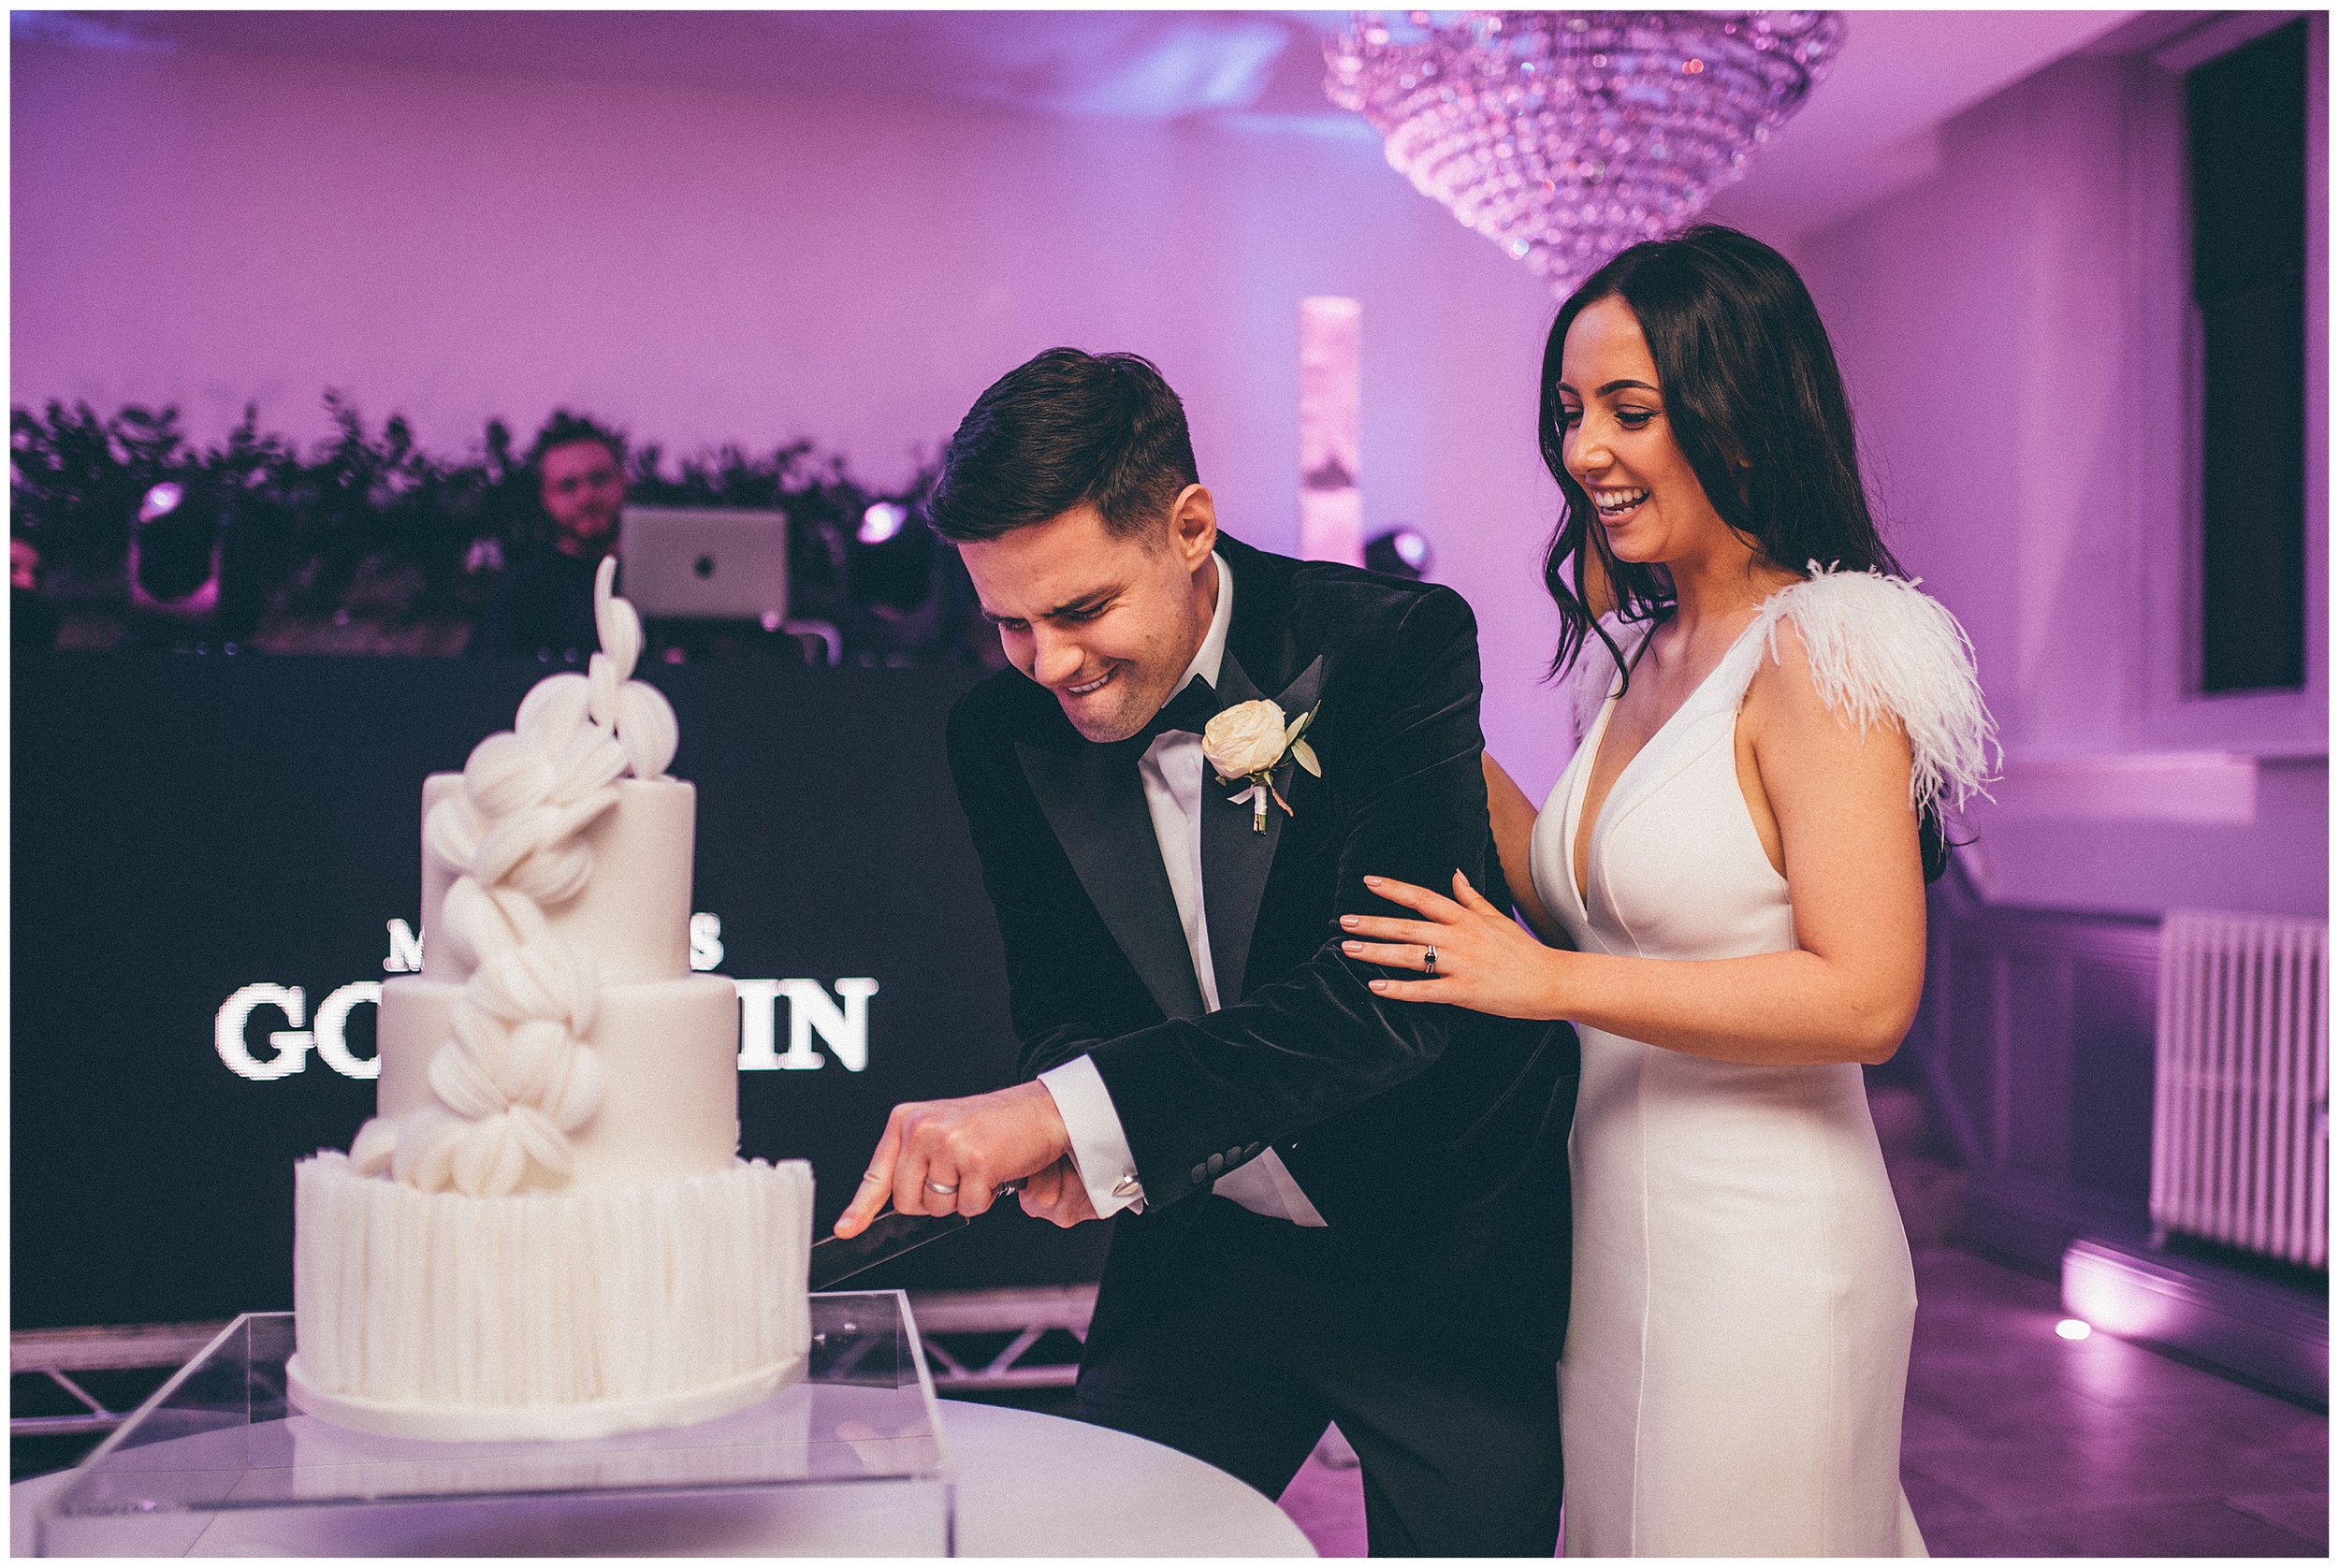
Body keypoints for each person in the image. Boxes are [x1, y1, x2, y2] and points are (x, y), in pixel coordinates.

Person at [833, 348, 1579, 1555]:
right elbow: (1066, 1000)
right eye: (1009, 623)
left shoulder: (1391, 644)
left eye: (1080, 610)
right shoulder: (996, 731)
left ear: (1188, 525)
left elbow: (1388, 1000)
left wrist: (1065, 1108)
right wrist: (1092, 1131)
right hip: (1202, 1250)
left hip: (1442, 1240)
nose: (1051, 664)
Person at [1344, 225, 1993, 1556]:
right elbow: (1567, 887)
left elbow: (1868, 997)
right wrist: (1412, 714)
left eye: (1629, 411)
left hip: (1764, 1250)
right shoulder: (1638, 653)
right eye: (1573, 412)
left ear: (1739, 415)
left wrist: (1551, 984)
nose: (1584, 451)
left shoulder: (1827, 646)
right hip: (1613, 1235)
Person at [472, 413, 628, 659]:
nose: (586, 497)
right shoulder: (520, 595)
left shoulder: (671, 580)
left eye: (598, 479)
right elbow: (489, 683)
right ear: (546, 499)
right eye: (568, 486)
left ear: (622, 481)